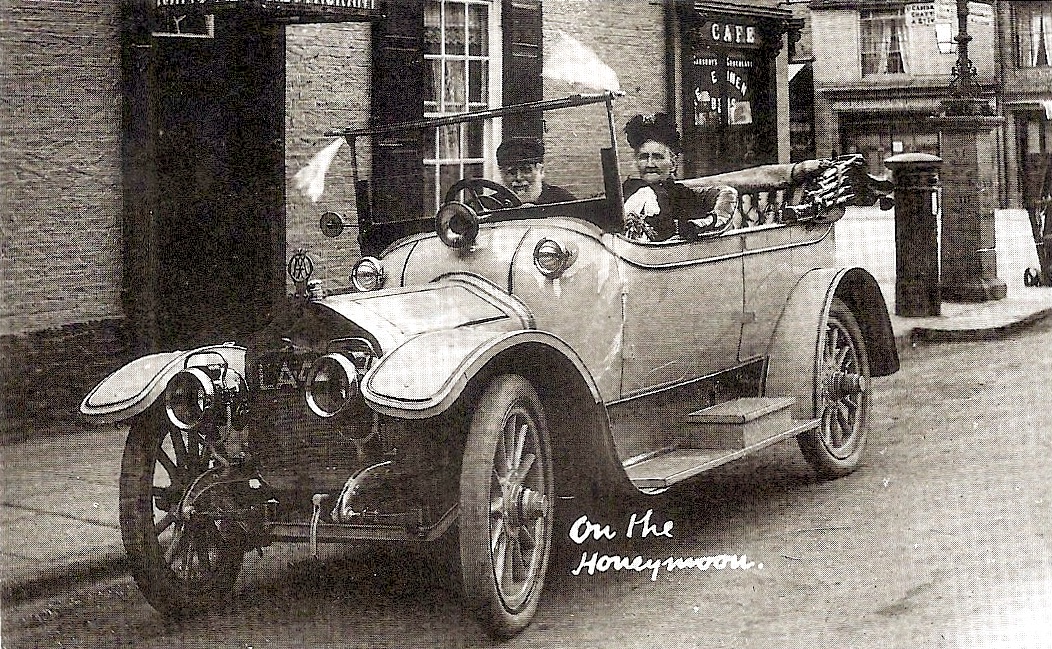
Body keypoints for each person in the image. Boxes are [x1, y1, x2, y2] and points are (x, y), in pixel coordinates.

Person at [622, 113, 736, 242]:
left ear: (673, 163)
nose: (649, 164)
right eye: (643, 157)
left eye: (657, 157)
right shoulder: (628, 191)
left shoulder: (683, 196)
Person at [496, 137, 577, 204]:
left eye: (526, 170)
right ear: (501, 174)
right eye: (511, 172)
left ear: (541, 171)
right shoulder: (493, 204)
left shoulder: (562, 201)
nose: (518, 178)